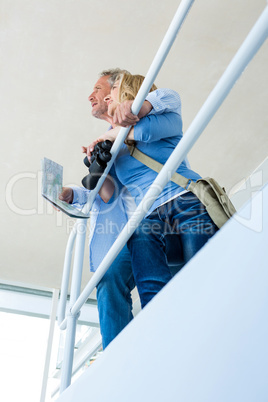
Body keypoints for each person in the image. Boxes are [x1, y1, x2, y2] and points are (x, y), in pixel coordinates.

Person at [60, 68, 184, 347]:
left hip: (161, 215)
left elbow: (169, 98)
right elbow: (108, 193)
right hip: (128, 231)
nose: (90, 96)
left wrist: (128, 118)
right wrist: (71, 194)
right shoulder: (106, 141)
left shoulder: (147, 117)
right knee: (108, 280)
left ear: (114, 94)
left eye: (99, 89)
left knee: (167, 280)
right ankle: (117, 353)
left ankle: (168, 334)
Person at [85, 72, 218, 309]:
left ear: (129, 93)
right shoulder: (114, 144)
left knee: (203, 273)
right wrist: (96, 165)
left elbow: (145, 132)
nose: (107, 99)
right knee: (150, 286)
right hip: (151, 214)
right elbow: (109, 193)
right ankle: (157, 325)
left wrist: (108, 135)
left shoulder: (167, 118)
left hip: (186, 201)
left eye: (112, 91)